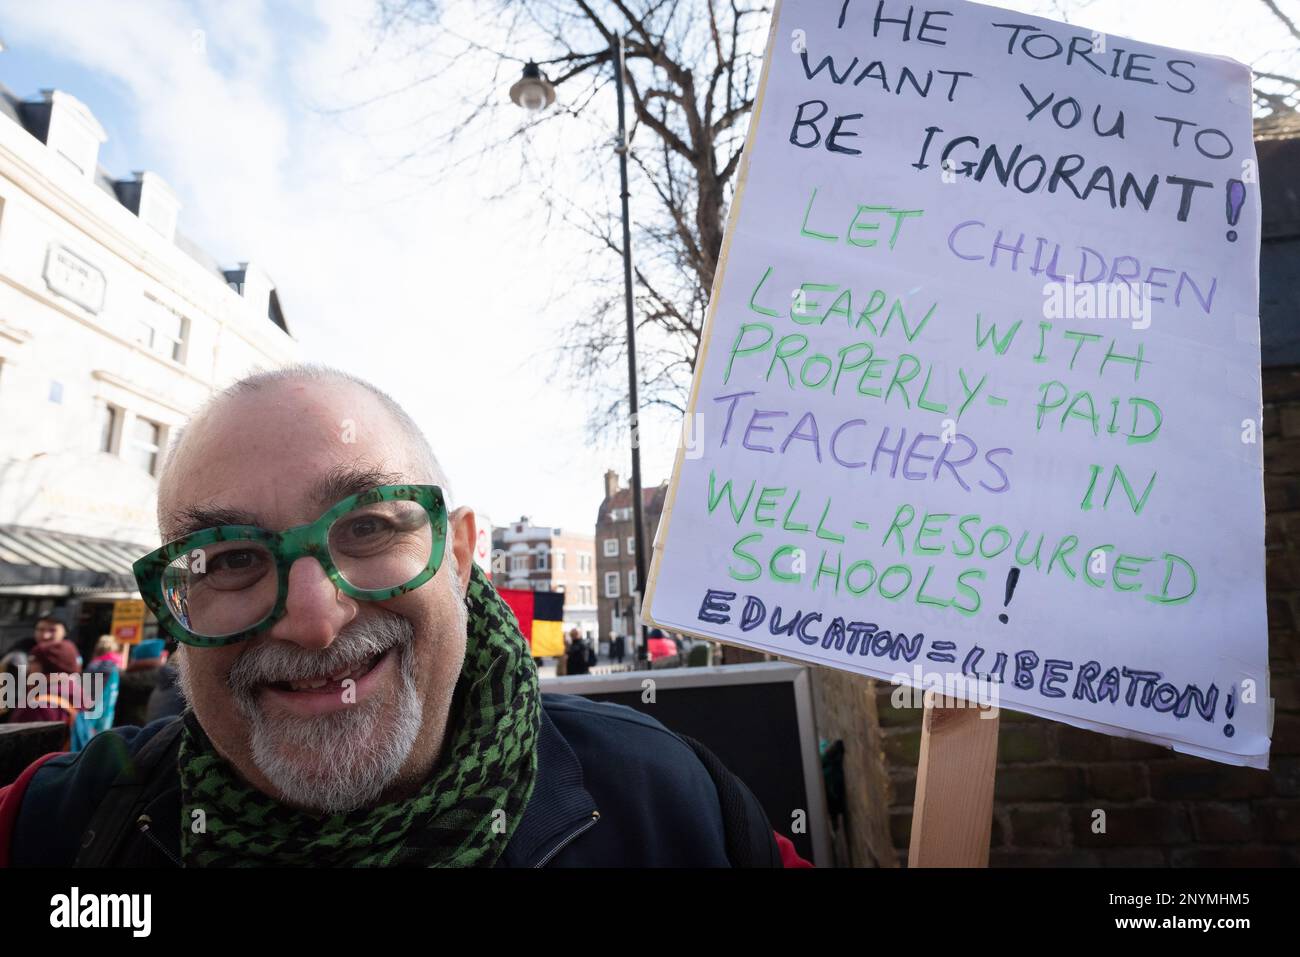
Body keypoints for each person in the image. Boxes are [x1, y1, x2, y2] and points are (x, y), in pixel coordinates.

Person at [0, 365, 800, 867]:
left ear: (458, 554)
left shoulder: (676, 808)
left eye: (369, 526)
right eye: (230, 557)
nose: (313, 619)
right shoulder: (61, 827)